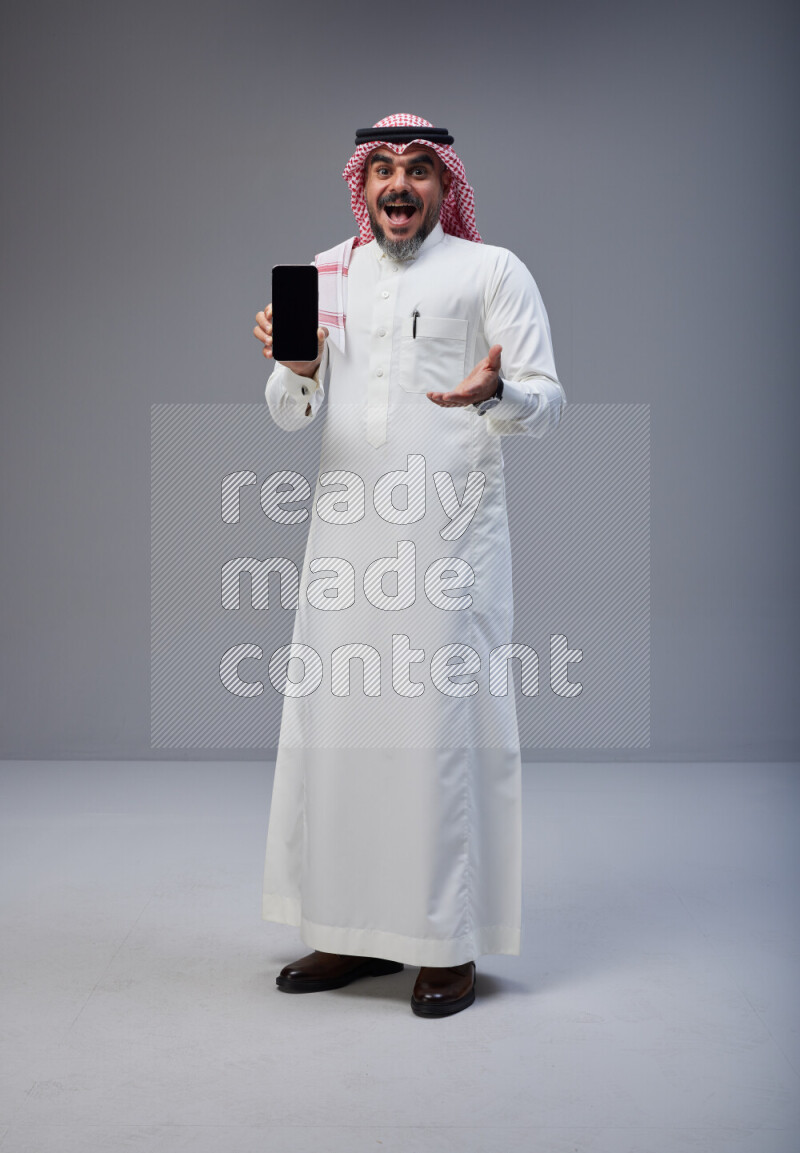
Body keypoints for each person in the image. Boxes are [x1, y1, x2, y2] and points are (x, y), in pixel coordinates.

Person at [253, 113, 566, 1018]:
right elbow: (288, 411)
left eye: (420, 170)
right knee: (340, 727)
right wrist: (299, 365)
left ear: (444, 185)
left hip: (448, 544)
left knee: (438, 737)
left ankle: (445, 942)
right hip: (346, 544)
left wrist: (495, 388)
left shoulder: (491, 271)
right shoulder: (325, 272)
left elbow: (546, 401)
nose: (399, 184)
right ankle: (348, 930)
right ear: (363, 183)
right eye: (383, 168)